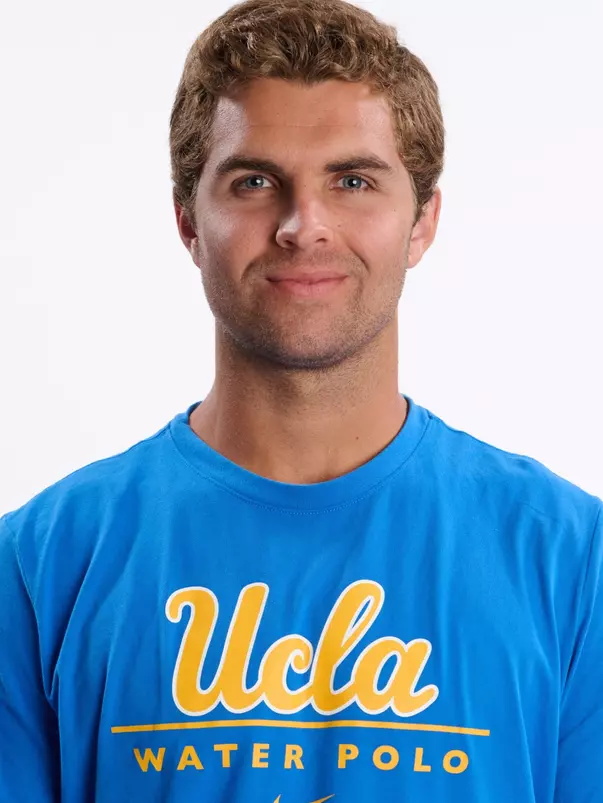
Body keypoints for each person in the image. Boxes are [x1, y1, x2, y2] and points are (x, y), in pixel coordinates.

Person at [1, 0, 601, 800]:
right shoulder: (39, 565)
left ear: (422, 220)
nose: (302, 224)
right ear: (187, 219)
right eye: (254, 181)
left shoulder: (570, 561)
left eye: (352, 180)